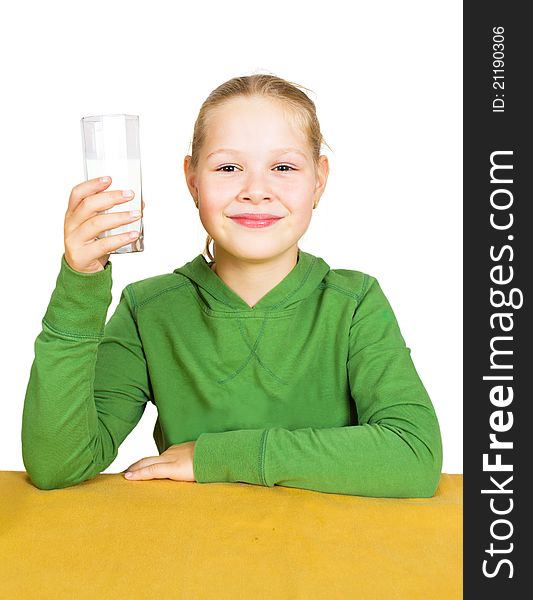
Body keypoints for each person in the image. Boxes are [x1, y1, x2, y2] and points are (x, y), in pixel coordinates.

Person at [21, 73, 443, 496]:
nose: (255, 191)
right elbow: (58, 463)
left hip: (325, 552)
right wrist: (81, 285)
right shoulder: (148, 309)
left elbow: (414, 454)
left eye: (283, 167)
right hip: (192, 551)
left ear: (318, 179)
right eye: (228, 167)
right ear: (192, 180)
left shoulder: (354, 304)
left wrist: (216, 457)